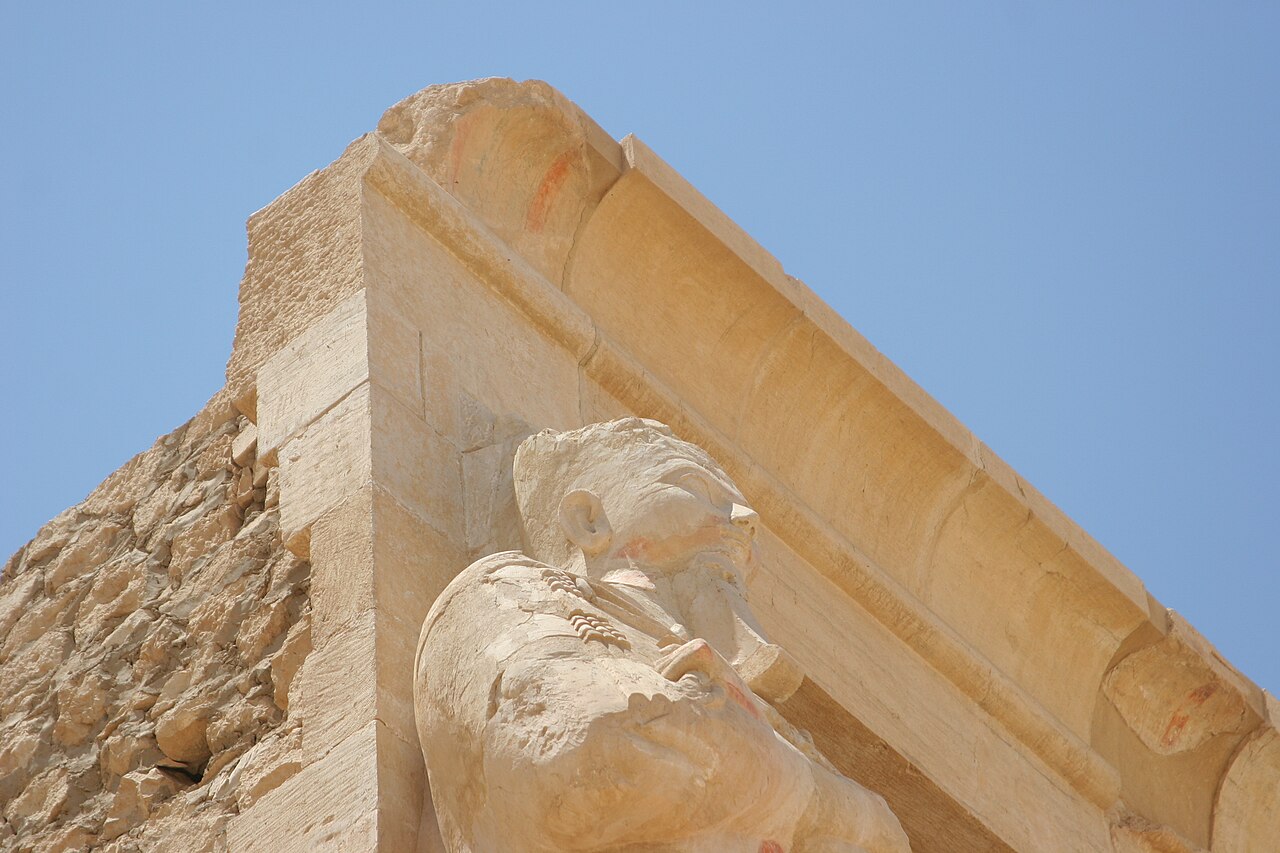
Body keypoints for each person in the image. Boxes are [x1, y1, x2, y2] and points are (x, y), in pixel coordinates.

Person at [414, 418, 910, 853]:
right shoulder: (510, 591)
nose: (746, 521)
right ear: (590, 521)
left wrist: (753, 756)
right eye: (695, 487)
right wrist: (818, 796)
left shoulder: (764, 714)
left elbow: (888, 837)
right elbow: (587, 753)